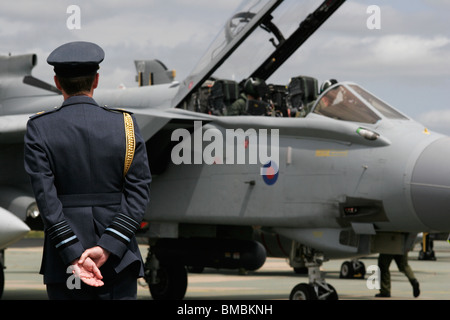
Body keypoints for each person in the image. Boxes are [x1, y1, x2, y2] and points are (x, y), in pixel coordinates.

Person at [24, 41, 152, 300]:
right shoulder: (125, 125)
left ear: (57, 83)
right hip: (119, 260)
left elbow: (46, 200)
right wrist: (109, 246)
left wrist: (72, 252)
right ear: (96, 80)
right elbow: (139, 192)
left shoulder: (39, 128)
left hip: (64, 262)